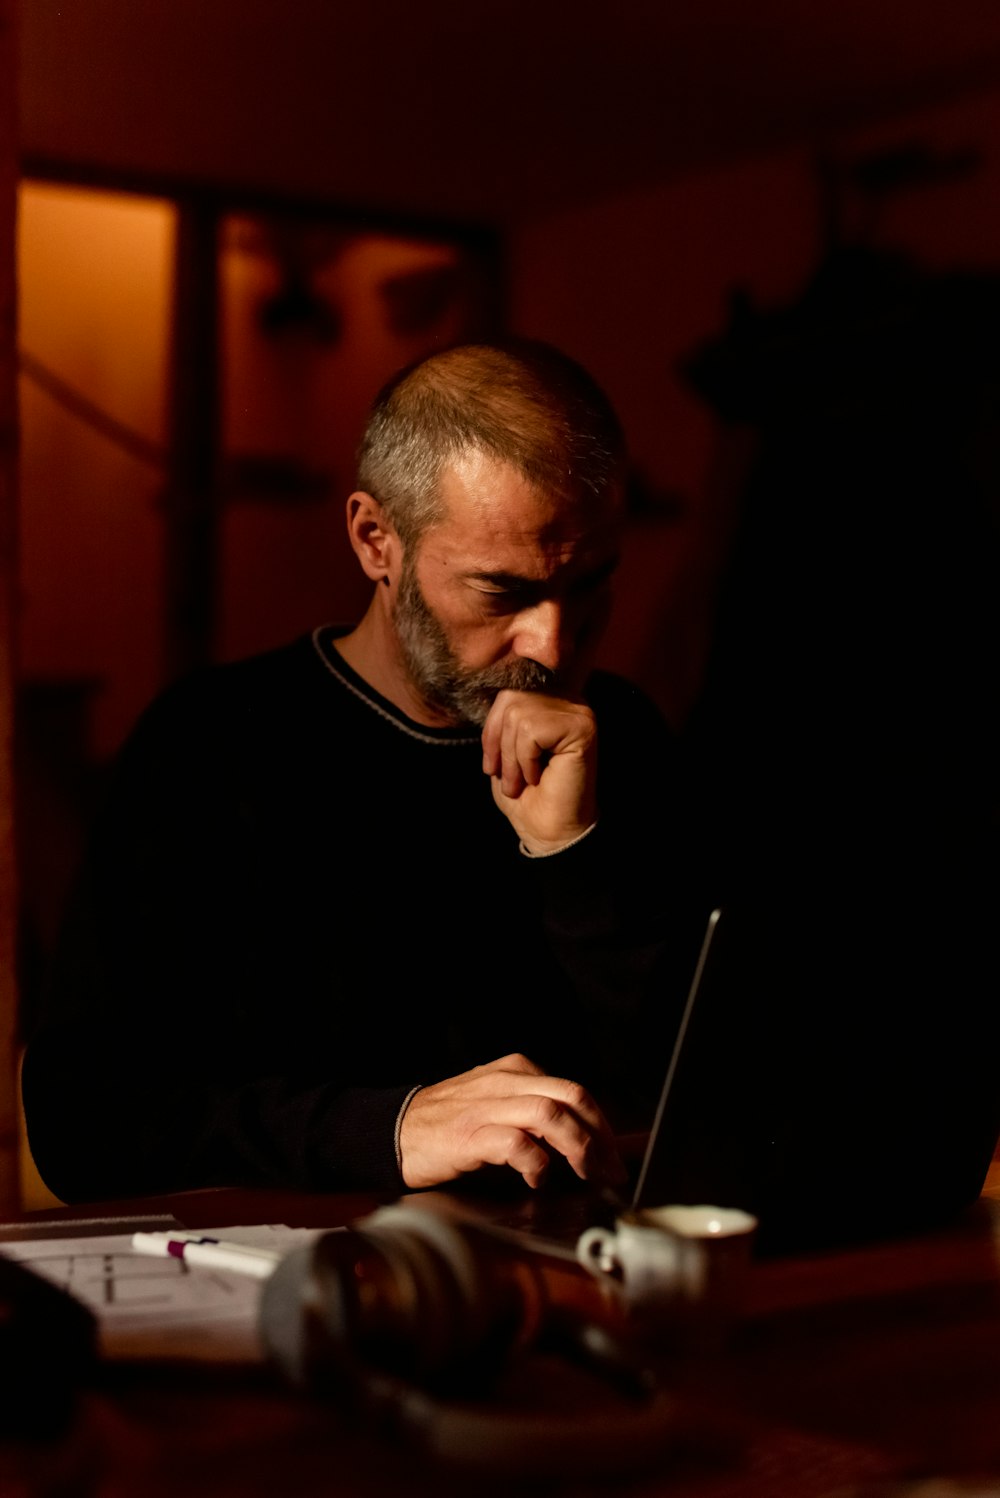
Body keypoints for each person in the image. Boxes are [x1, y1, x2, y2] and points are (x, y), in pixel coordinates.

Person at [22, 339, 699, 1204]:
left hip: (566, 1283)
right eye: (501, 593)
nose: (554, 646)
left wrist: (575, 859)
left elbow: (704, 1090)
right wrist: (389, 1131)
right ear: (377, 540)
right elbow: (85, 1122)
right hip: (300, 1299)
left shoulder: (621, 734)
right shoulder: (211, 745)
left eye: (591, 583)